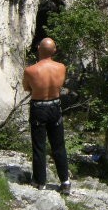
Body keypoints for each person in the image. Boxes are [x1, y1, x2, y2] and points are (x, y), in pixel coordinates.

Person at [22, 37, 71, 195]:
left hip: (39, 108)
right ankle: (65, 181)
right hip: (55, 107)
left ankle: (40, 181)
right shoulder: (61, 67)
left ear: (38, 49)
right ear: (54, 51)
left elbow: (26, 87)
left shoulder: (30, 70)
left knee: (39, 146)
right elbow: (60, 84)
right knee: (58, 146)